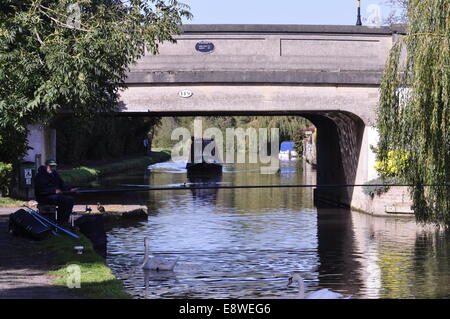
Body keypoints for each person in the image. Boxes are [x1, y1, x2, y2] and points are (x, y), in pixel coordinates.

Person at [34, 159, 78, 226]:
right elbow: (40, 190)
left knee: (70, 199)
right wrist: (54, 191)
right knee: (63, 199)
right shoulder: (40, 176)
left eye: (54, 166)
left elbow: (62, 184)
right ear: (46, 166)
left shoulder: (55, 174)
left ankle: (64, 220)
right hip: (43, 197)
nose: (52, 168)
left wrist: (70, 188)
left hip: (53, 196)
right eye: (50, 166)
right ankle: (61, 222)